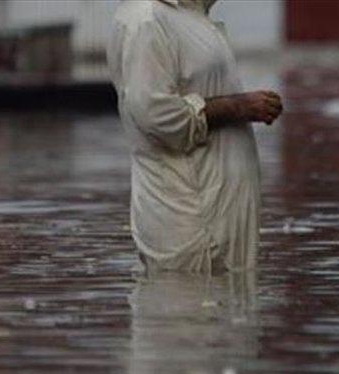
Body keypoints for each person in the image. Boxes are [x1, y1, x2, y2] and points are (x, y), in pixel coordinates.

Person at [107, 0, 282, 275]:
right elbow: (155, 117)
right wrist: (239, 107)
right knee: (186, 310)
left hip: (217, 224)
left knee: (226, 307)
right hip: (190, 224)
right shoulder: (147, 18)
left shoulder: (191, 15)